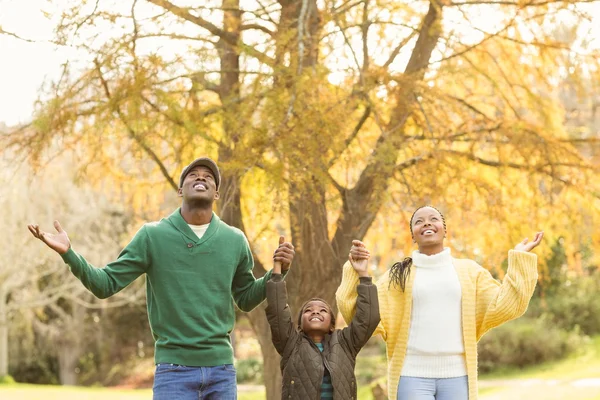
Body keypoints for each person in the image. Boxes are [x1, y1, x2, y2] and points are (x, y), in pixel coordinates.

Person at [27, 157, 295, 400]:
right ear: (180, 190)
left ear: (217, 193)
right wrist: (69, 254)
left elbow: (246, 299)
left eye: (208, 176)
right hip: (173, 372)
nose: (201, 177)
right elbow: (104, 284)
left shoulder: (234, 239)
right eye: (193, 175)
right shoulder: (152, 236)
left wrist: (277, 272)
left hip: (221, 371)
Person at [335, 205, 543, 400]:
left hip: (458, 376)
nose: (426, 223)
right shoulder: (397, 276)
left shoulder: (470, 272)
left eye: (433, 219)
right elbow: (362, 316)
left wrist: (519, 258)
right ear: (413, 236)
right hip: (410, 375)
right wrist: (358, 272)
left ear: (445, 230)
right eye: (419, 221)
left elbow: (505, 304)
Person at [265, 237, 380, 400]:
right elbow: (277, 312)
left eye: (323, 310)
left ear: (332, 324)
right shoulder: (290, 343)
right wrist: (277, 271)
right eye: (308, 310)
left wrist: (363, 274)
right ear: (300, 325)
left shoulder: (346, 343)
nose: (315, 312)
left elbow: (368, 318)